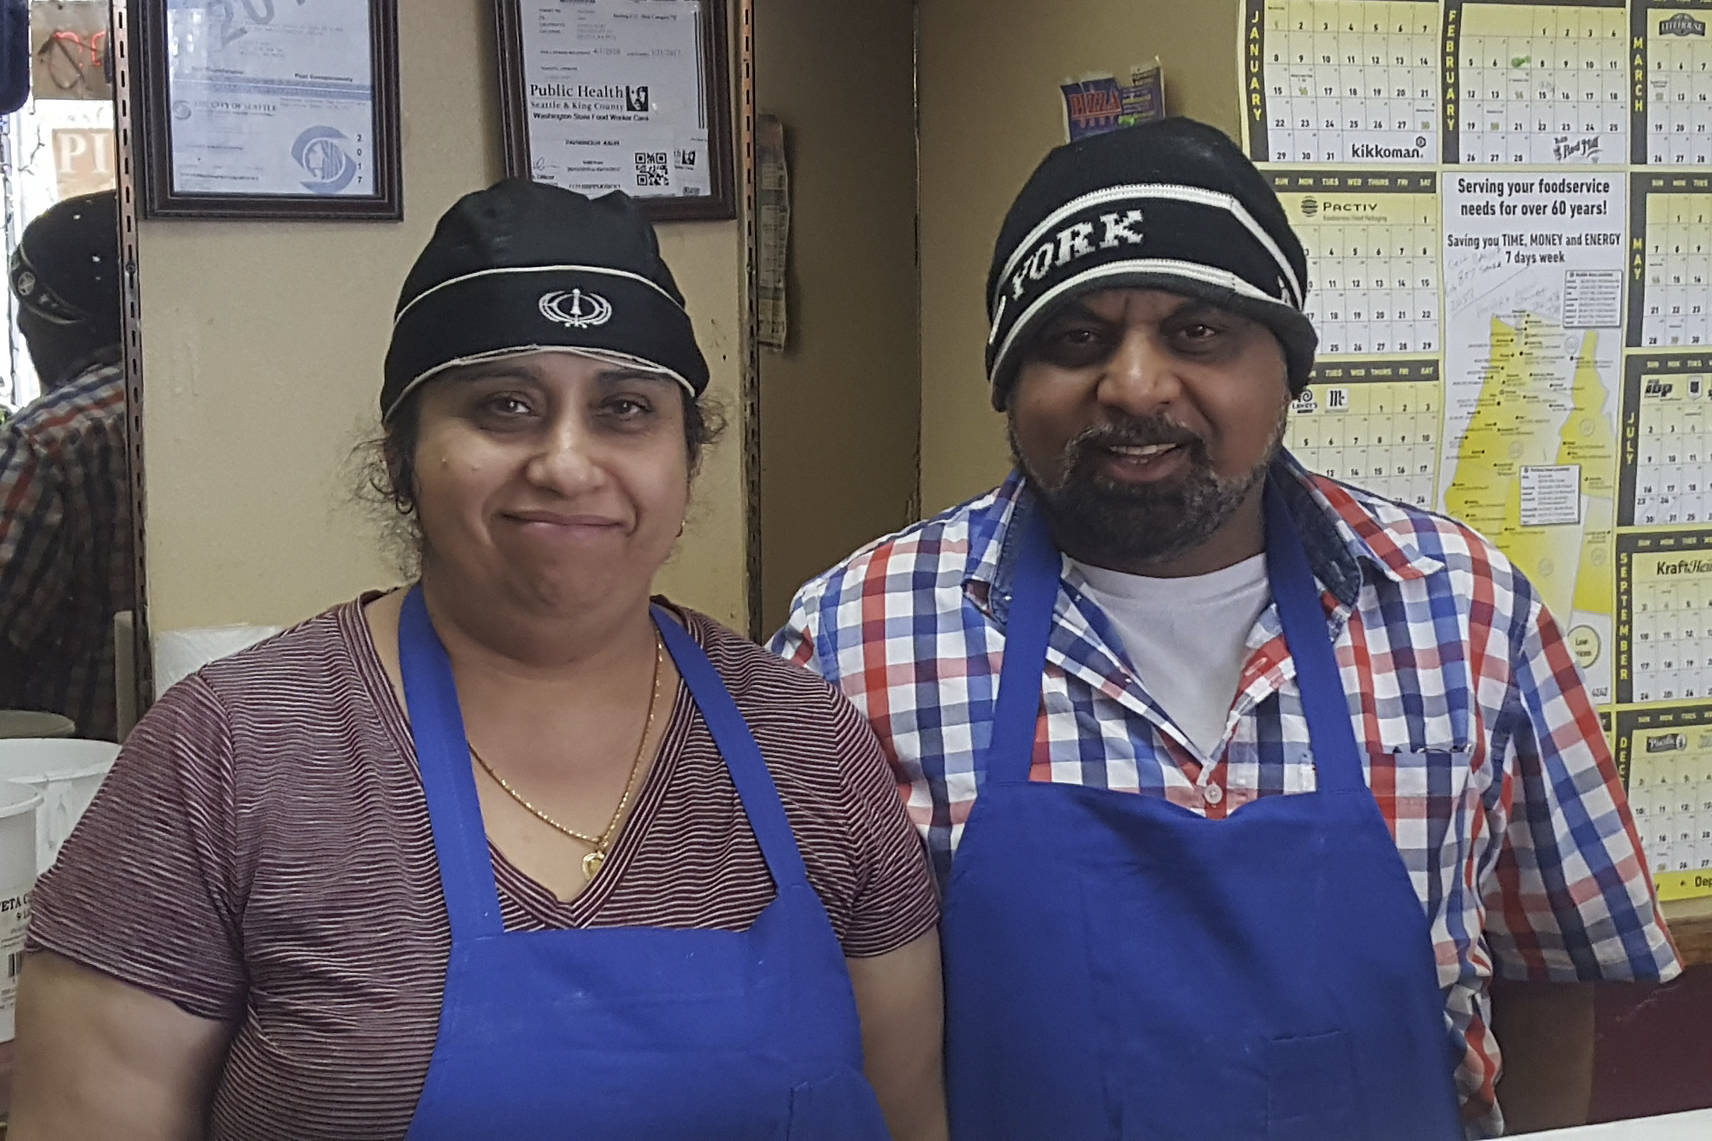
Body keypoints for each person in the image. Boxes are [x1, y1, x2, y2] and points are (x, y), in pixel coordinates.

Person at [773, 118, 1679, 1139]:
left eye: (1198, 330)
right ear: (1007, 383)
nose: (1135, 384)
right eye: (1075, 337)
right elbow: (801, 1028)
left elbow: (1548, 970)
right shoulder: (853, 641)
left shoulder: (1463, 609)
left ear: (1284, 369)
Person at [11, 180, 946, 1140]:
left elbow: (911, 1112)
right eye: (505, 406)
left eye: (625, 408)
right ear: (403, 455)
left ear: (684, 462)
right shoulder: (227, 754)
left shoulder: (809, 739)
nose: (569, 462)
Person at [0, 189, 130, 740]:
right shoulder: (195, 402)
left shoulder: (41, 443)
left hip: (58, 767)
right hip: (181, 760)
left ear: (45, 318)